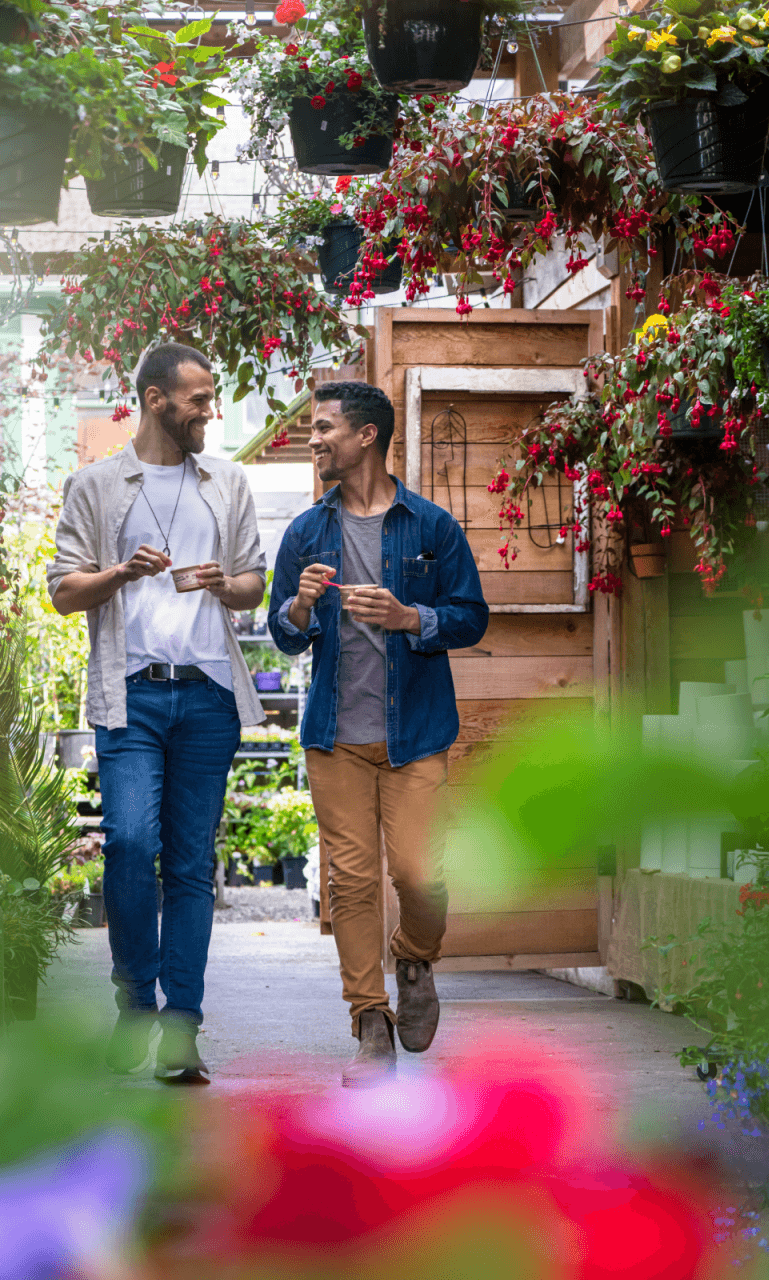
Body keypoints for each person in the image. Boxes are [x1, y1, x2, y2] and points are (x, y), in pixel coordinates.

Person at [47, 343, 267, 1084]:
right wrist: (119, 571)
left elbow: (251, 585)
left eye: (210, 398)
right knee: (130, 843)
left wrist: (220, 584)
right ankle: (135, 998)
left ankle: (181, 1028)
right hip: (130, 693)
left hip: (207, 694)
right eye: (199, 400)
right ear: (153, 400)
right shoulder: (98, 486)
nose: (210, 411)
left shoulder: (226, 481)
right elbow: (62, 591)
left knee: (192, 868)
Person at [268, 380, 488, 1087]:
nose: (314, 439)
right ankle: (370, 1023)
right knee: (351, 883)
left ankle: (415, 959)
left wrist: (409, 619)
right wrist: (300, 606)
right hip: (334, 735)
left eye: (324, 427)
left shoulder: (431, 527)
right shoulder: (306, 531)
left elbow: (471, 616)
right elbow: (283, 636)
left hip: (416, 733)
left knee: (420, 875)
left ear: (366, 436)